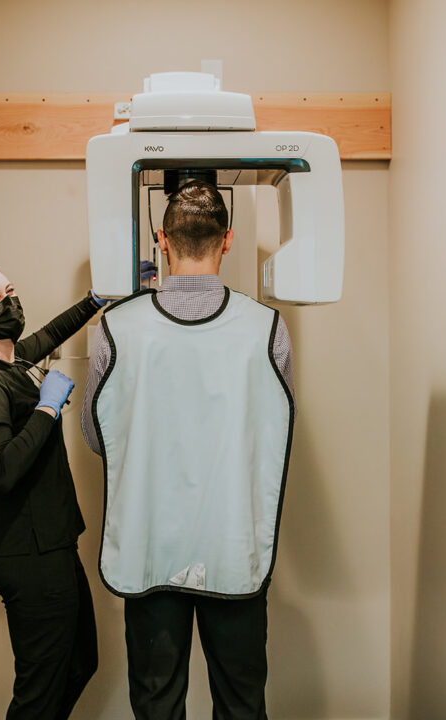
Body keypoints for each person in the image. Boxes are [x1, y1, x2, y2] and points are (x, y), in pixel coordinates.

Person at [81, 181, 295, 720]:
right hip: (232, 546)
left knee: (157, 706)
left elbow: (94, 435)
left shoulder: (116, 328)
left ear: (161, 239)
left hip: (149, 548)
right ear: (227, 241)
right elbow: (277, 431)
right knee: (242, 705)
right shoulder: (268, 328)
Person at [0, 264, 101, 720]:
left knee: (79, 664)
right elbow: (0, 470)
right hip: (28, 553)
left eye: (10, 291)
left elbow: (51, 332)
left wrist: (97, 298)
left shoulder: (9, 361)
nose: (9, 303)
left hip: (50, 542)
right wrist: (48, 408)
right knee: (38, 692)